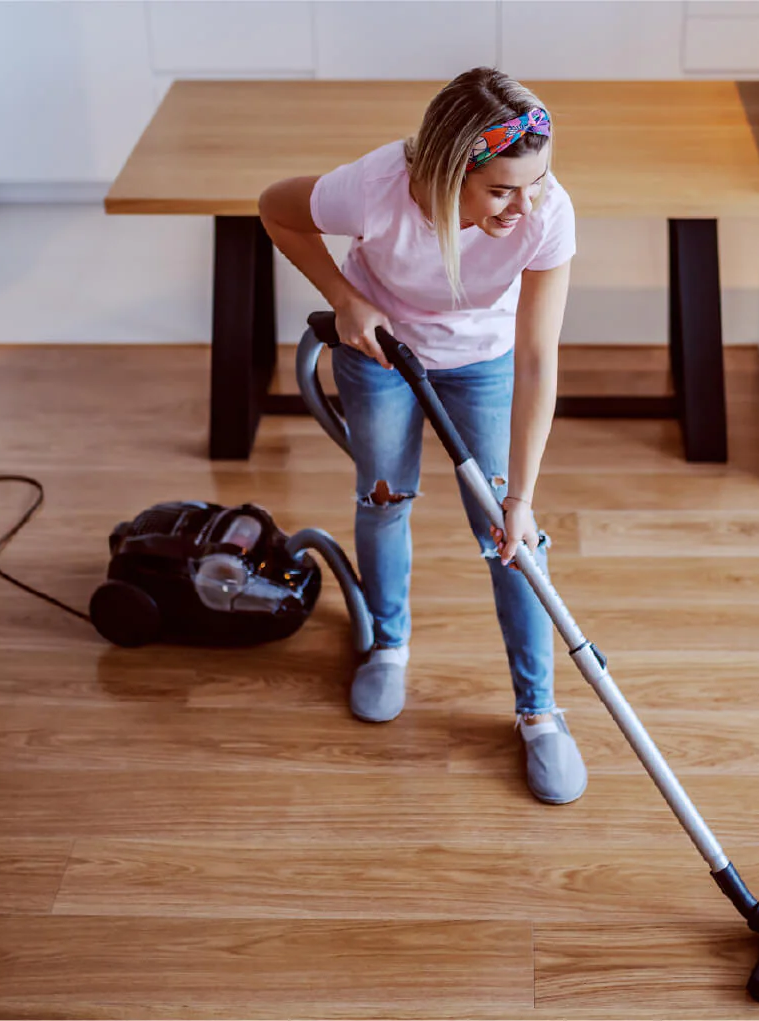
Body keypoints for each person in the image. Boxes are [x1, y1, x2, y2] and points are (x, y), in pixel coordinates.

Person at [258, 67, 584, 804]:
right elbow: (276, 209)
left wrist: (523, 497)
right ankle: (387, 641)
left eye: (535, 183)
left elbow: (537, 360)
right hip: (378, 357)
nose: (523, 205)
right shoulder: (374, 187)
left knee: (511, 538)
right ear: (447, 169)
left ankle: (538, 711)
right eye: (503, 189)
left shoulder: (546, 212)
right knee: (384, 500)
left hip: (486, 364)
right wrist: (344, 300)